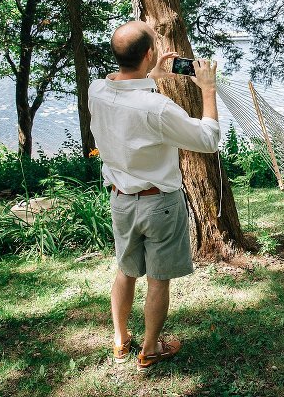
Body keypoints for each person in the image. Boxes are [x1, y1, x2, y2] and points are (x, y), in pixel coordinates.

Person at [88, 20, 220, 371]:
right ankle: (151, 348)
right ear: (149, 53)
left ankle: (120, 341)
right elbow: (208, 140)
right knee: (158, 279)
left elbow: (124, 90)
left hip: (120, 200)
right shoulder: (157, 108)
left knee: (125, 271)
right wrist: (208, 89)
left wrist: (154, 75)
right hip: (159, 202)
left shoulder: (96, 90)